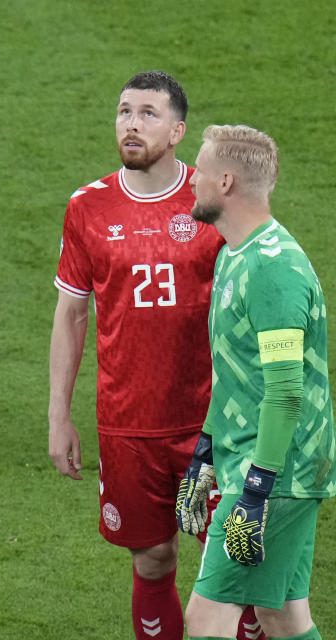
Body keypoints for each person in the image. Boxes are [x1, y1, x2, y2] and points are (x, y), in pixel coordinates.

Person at [47, 71, 267, 640]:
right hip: (128, 424)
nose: (131, 123)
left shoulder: (214, 202)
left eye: (148, 113)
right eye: (124, 111)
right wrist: (58, 416)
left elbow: (263, 296)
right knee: (152, 561)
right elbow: (72, 314)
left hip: (213, 423)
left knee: (240, 570)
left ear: (177, 131)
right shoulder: (87, 209)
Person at [177, 124, 335, 640]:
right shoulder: (235, 253)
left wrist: (255, 493)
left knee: (206, 619)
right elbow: (236, 370)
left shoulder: (273, 270)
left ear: (225, 182)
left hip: (276, 474)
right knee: (283, 618)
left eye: (198, 170)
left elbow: (285, 392)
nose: (191, 181)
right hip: (265, 466)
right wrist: (205, 448)